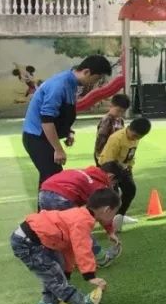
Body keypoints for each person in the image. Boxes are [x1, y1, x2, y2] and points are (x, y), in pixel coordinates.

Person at [11, 188, 118, 304]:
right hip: (28, 243)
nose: (112, 218)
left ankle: (48, 303)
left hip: (33, 240)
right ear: (107, 210)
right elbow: (82, 248)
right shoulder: (83, 221)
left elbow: (69, 248)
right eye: (114, 214)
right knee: (54, 276)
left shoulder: (81, 214)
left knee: (55, 271)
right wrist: (90, 275)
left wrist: (67, 271)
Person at [21, 55, 112, 187]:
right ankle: (52, 207)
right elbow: (46, 120)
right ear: (86, 72)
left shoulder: (71, 83)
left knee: (48, 180)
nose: (94, 83)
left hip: (43, 137)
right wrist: (58, 149)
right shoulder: (59, 85)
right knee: (55, 181)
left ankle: (44, 208)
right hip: (37, 138)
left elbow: (63, 112)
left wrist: (67, 131)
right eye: (96, 79)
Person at [37, 163, 123, 263]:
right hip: (62, 197)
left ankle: (54, 258)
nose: (112, 186)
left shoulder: (83, 171)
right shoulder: (99, 186)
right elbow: (102, 213)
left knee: (56, 230)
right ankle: (101, 258)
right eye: (114, 183)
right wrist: (110, 231)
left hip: (43, 193)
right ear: (111, 176)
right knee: (81, 228)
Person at [99, 116, 152, 227]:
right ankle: (107, 220)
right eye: (134, 136)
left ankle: (120, 216)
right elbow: (107, 160)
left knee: (130, 190)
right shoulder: (116, 138)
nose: (135, 139)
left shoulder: (136, 138)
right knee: (113, 196)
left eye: (139, 137)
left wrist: (130, 166)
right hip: (110, 166)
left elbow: (131, 154)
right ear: (129, 128)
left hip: (124, 167)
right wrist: (110, 177)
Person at [93, 93, 130, 165]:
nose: (120, 113)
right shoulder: (107, 120)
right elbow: (101, 137)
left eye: (123, 111)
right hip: (105, 155)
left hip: (115, 154)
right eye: (118, 110)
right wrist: (99, 154)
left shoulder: (120, 120)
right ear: (111, 106)